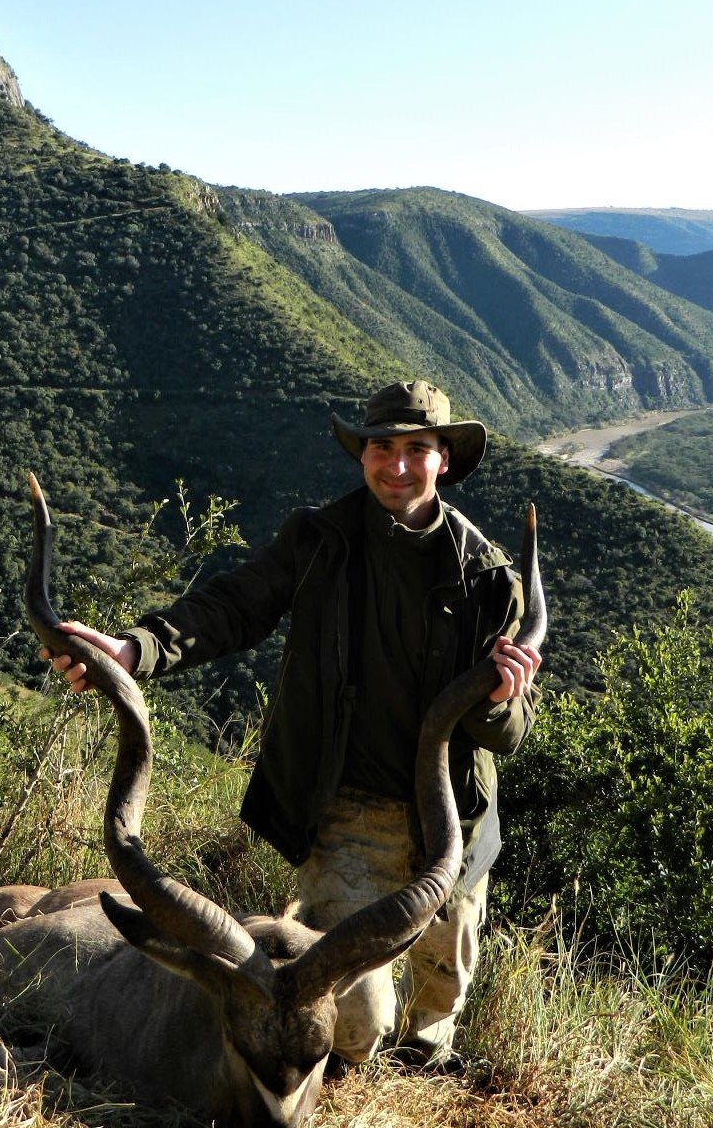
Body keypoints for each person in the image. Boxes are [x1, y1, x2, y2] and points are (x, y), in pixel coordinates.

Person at [41, 380, 542, 1067]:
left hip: (452, 824)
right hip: (347, 817)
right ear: (361, 455)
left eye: (416, 449)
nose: (398, 465)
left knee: (438, 1002)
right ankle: (333, 1090)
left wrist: (496, 696)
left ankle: (417, 1089)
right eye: (382, 448)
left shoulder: (491, 579)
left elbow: (509, 734)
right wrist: (136, 650)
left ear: (443, 460)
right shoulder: (318, 540)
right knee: (350, 1020)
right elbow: (234, 606)